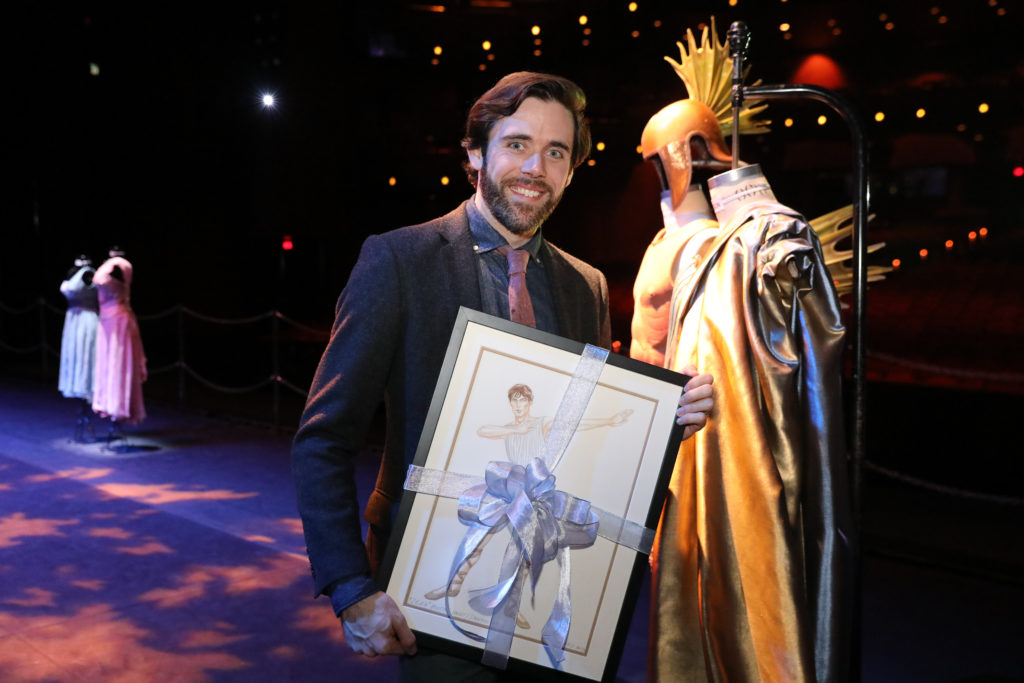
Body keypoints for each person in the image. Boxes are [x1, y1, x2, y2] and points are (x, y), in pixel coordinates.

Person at [291, 72, 714, 672]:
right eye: (517, 144)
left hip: (548, 594)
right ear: (475, 153)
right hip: (425, 589)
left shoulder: (586, 286)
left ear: (570, 170)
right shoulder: (399, 261)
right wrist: (349, 589)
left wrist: (666, 421)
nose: (535, 167)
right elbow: (323, 439)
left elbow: (581, 441)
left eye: (556, 152)